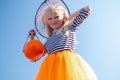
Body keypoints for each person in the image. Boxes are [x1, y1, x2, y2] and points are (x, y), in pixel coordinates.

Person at [35, 4, 97, 80]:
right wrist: (32, 37)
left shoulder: (70, 27)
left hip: (68, 62)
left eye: (56, 17)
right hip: (52, 68)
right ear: (47, 22)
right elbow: (35, 57)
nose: (53, 20)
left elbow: (87, 9)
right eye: (49, 19)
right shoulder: (48, 41)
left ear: (63, 17)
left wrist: (67, 19)